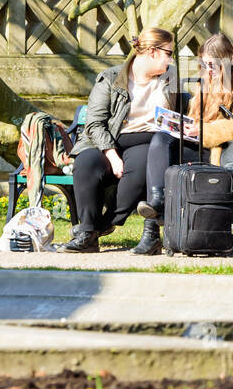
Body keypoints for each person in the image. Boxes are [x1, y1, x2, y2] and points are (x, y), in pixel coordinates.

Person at [64, 27, 178, 255]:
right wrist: (111, 155)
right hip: (109, 141)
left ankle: (103, 224)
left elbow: (175, 115)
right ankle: (88, 234)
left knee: (138, 169)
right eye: (168, 53)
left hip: (148, 142)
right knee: (86, 164)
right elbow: (94, 124)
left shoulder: (170, 76)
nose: (171, 59)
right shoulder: (111, 78)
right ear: (153, 52)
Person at [177, 33, 233, 171]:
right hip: (204, 144)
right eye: (204, 64)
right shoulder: (207, 81)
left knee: (169, 149)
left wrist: (202, 131)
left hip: (222, 151)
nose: (208, 69)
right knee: (163, 141)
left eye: (212, 64)